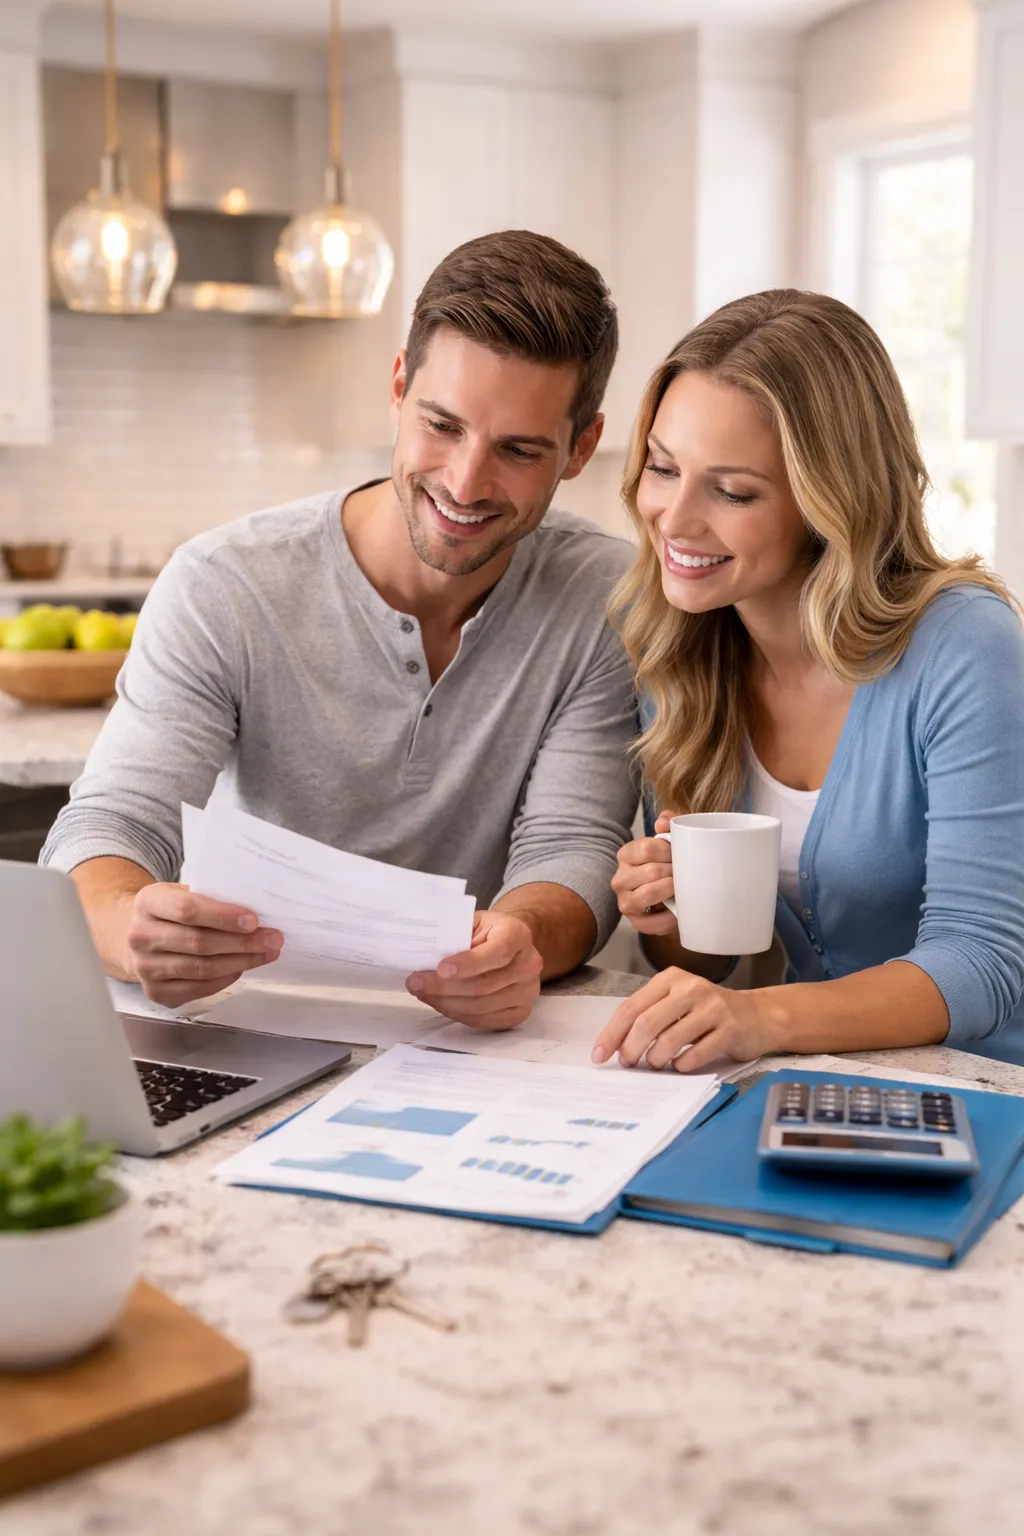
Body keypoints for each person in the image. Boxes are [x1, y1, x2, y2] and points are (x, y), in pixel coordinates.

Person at [43, 230, 638, 1026]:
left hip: (469, 1038)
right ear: (398, 386)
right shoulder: (224, 584)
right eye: (442, 425)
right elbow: (111, 822)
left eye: (519, 449)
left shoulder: (606, 597)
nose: (465, 481)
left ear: (581, 448)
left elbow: (573, 846)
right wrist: (125, 925)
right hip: (243, 1014)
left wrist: (522, 937)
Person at [594, 288, 1024, 1072]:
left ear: (830, 500)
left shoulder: (964, 646)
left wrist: (760, 1017)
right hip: (821, 1089)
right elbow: (708, 969)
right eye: (662, 468)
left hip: (992, 1091)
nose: (674, 517)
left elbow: (982, 964)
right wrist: (667, 917)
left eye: (732, 491)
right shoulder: (678, 649)